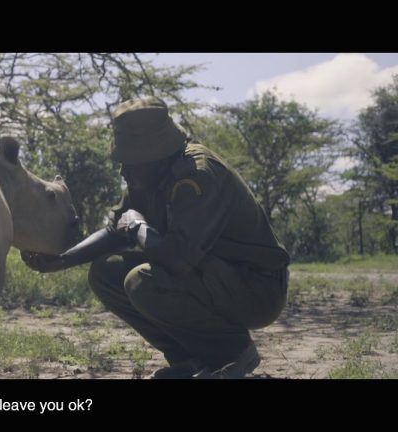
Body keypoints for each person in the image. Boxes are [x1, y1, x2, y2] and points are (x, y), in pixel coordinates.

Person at [21, 97, 290, 379]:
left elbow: (176, 259)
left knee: (142, 280)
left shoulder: (197, 175)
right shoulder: (150, 176)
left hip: (256, 289)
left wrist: (138, 226)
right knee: (106, 271)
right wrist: (60, 260)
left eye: (129, 162)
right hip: (215, 280)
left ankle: (232, 353)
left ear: (155, 155)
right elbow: (116, 230)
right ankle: (192, 361)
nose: (123, 171)